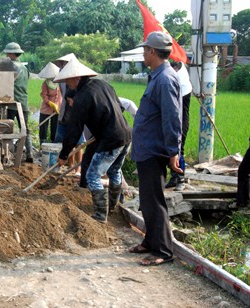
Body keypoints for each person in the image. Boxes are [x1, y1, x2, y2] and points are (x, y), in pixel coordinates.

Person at [54, 58, 132, 224]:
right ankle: (112, 207)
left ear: (77, 78)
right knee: (114, 171)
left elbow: (74, 130)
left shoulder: (82, 97)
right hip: (125, 135)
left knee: (92, 175)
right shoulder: (102, 84)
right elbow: (118, 106)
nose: (67, 84)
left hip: (111, 139)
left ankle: (100, 215)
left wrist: (64, 155)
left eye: (68, 80)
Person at [130, 31, 183, 266]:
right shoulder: (157, 76)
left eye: (144, 50)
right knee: (147, 199)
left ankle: (163, 250)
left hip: (154, 149)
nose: (143, 54)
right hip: (146, 148)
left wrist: (173, 151)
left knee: (155, 199)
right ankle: (150, 242)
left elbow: (172, 118)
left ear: (152, 51)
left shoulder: (164, 79)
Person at [54, 53, 85, 177]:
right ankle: (71, 167)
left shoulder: (79, 79)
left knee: (79, 143)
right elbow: (63, 95)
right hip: (64, 114)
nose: (62, 66)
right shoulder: (62, 80)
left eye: (64, 63)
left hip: (77, 114)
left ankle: (78, 169)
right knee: (68, 142)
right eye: (62, 64)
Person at [3, 42, 32, 163]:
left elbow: (5, 83)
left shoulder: (11, 66)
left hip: (12, 103)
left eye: (7, 54)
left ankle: (6, 153)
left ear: (10, 53)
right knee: (24, 129)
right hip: (24, 102)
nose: (6, 56)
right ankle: (29, 154)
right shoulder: (25, 68)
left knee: (6, 128)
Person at [165, 61, 192, 190]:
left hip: (180, 122)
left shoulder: (182, 86)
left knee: (179, 149)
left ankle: (181, 178)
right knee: (170, 150)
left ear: (176, 68)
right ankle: (174, 177)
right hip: (175, 121)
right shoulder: (181, 78)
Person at [38, 62, 62, 144]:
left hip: (57, 109)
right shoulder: (45, 83)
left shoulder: (60, 82)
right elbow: (44, 96)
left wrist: (58, 106)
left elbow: (61, 95)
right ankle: (42, 146)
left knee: (55, 128)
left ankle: (53, 145)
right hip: (46, 108)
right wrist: (50, 103)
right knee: (43, 128)